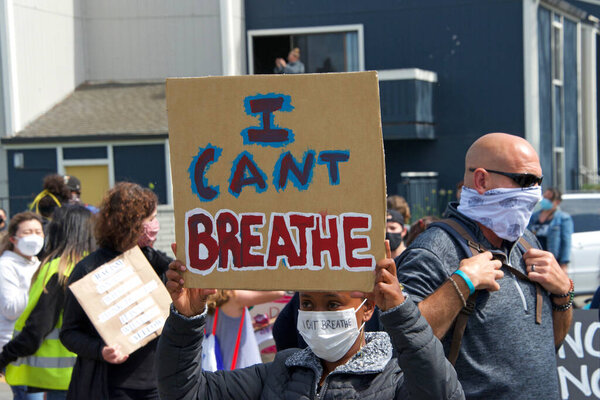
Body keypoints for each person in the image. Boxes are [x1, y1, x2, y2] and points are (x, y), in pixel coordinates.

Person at [156, 242, 464, 400]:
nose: (318, 315)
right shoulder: (281, 371)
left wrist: (400, 311)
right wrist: (187, 318)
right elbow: (186, 392)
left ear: (368, 309)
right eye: (307, 304)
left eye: (332, 304)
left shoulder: (393, 378)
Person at [396, 133, 573, 399]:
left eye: (539, 182)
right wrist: (461, 284)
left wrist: (563, 294)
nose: (534, 193)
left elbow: (548, 345)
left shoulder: (528, 242)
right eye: (525, 181)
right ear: (481, 180)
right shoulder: (434, 249)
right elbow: (403, 344)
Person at [60, 182, 170, 400]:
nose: (154, 225)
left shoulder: (156, 262)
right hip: (112, 387)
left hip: (159, 384)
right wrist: (100, 350)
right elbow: (69, 333)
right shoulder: (88, 270)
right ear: (130, 223)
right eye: (149, 219)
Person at [0, 205, 95, 400]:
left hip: (59, 380)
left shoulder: (58, 269)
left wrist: (5, 356)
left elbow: (37, 328)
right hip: (97, 374)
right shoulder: (97, 264)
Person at [0, 212, 44, 400]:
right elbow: (10, 309)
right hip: (14, 347)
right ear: (13, 238)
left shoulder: (39, 264)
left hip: (36, 346)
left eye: (38, 232)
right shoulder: (5, 266)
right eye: (28, 232)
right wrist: (39, 289)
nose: (34, 236)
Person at [203, 290, 284, 370]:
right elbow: (278, 292)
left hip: (215, 374)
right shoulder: (233, 298)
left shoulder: (201, 300)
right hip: (242, 373)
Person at [528, 187, 573, 271]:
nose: (545, 201)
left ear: (557, 202)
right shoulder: (534, 217)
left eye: (549, 199)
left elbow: (566, 242)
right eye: (544, 197)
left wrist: (564, 265)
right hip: (534, 260)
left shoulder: (563, 218)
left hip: (552, 262)